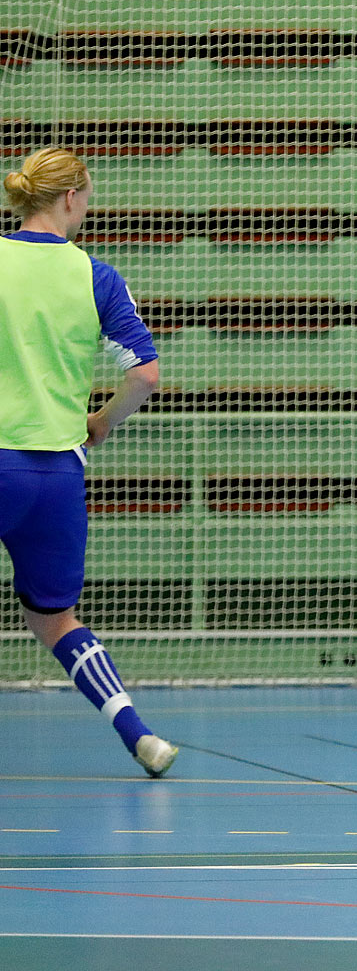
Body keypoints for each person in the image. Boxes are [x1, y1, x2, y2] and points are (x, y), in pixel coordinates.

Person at [1, 148, 174, 776]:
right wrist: (103, 419)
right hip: (54, 475)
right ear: (71, 199)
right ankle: (137, 733)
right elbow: (147, 376)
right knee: (55, 620)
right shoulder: (95, 275)